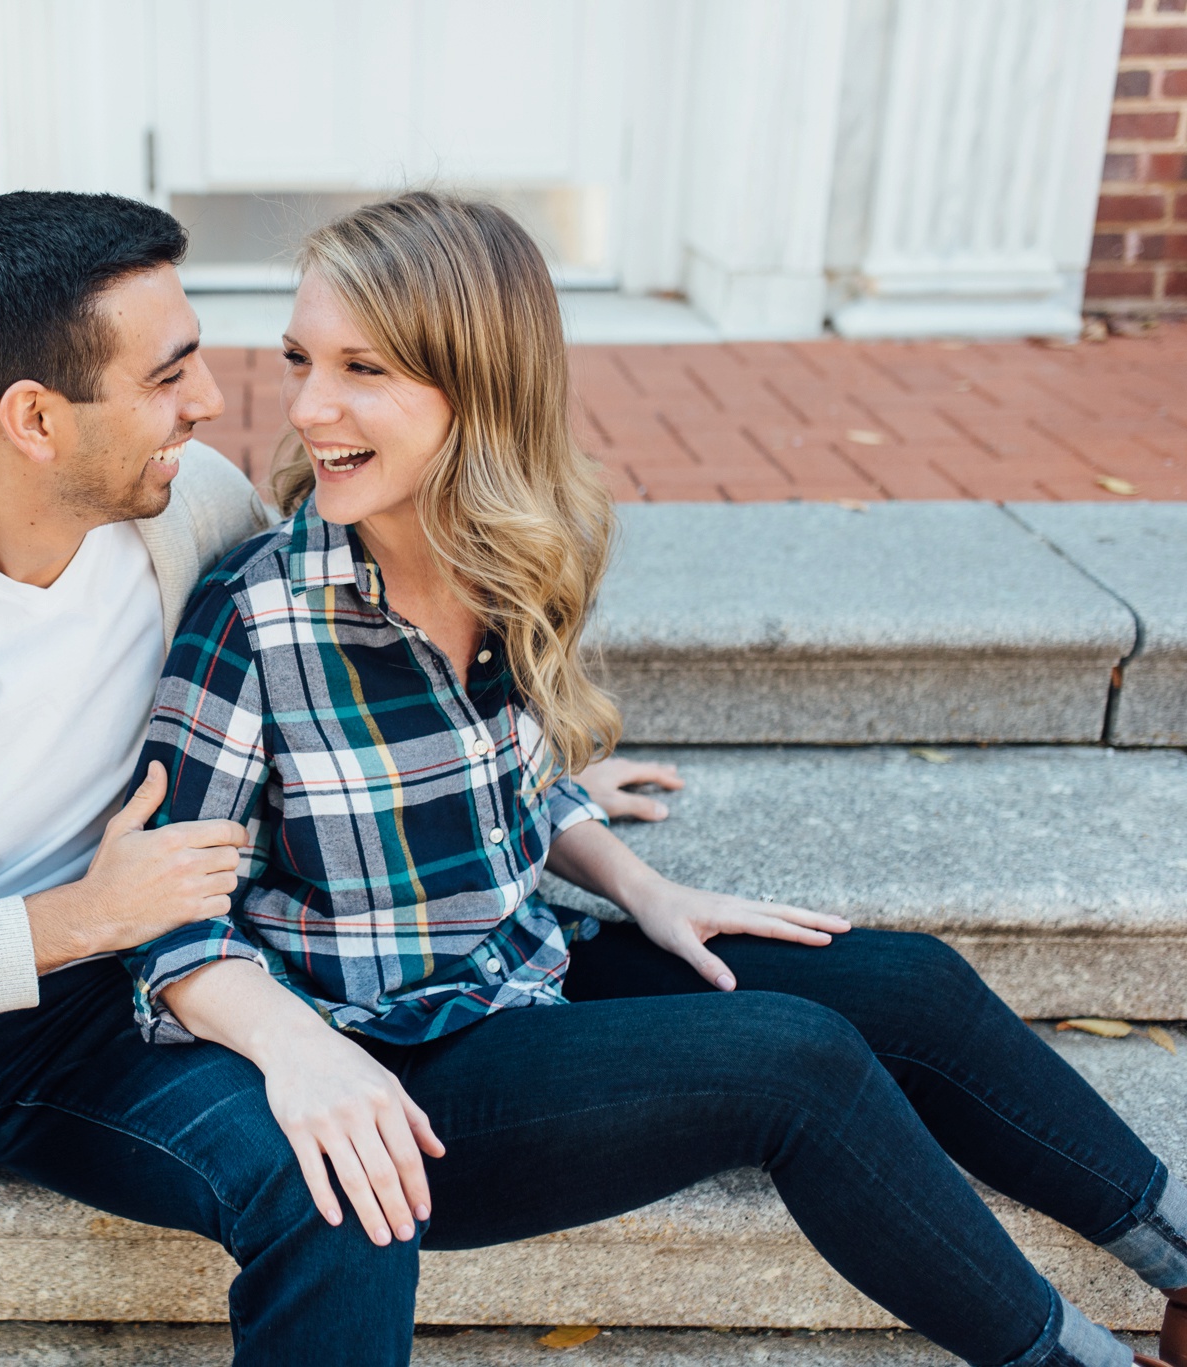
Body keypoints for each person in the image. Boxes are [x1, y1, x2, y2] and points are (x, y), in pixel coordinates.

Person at [125, 191, 1187, 1367]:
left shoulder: (508, 554)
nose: (308, 406)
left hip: (518, 968)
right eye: (299, 359)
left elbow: (500, 778)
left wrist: (640, 886)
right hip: (397, 1077)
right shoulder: (258, 619)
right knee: (797, 1061)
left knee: (912, 983)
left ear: (479, 387)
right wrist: (296, 1052)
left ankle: (1178, 1262)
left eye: (360, 368)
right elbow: (164, 927)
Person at [0, 189, 642, 1366]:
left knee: (340, 1194)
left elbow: (350, 680)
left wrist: (538, 770)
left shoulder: (188, 501)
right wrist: (72, 915)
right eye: (166, 376)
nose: (212, 403)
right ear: (34, 418)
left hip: (115, 1007)